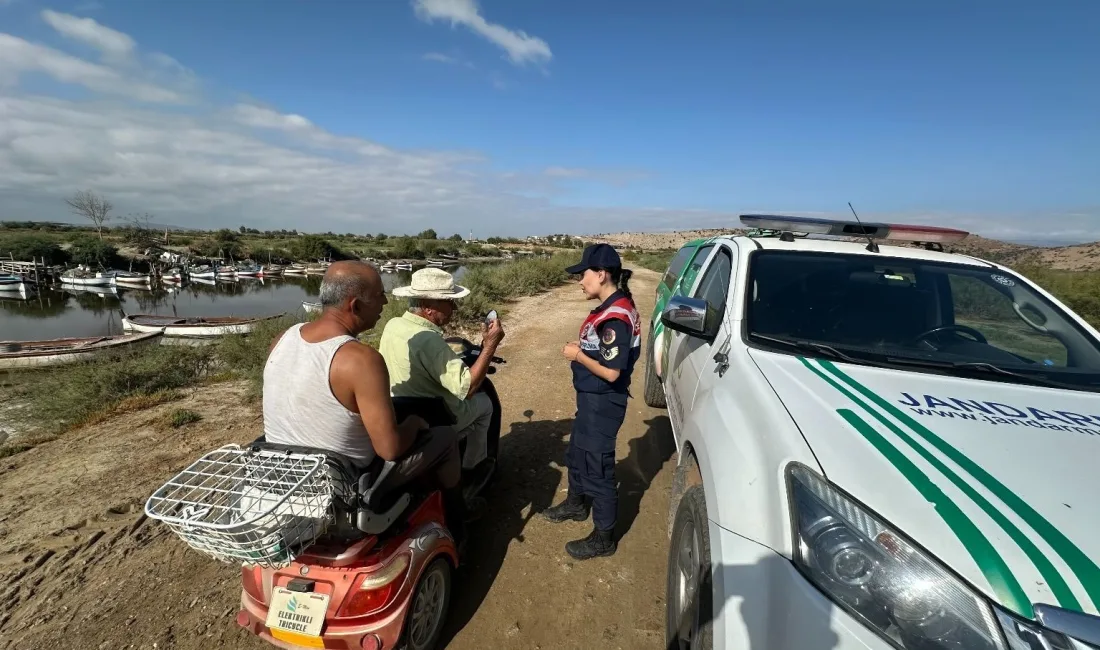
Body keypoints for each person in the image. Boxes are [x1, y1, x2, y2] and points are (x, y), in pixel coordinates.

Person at [262, 261, 478, 546]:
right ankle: (458, 519)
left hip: (283, 474)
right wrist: (414, 423)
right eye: (379, 295)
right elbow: (390, 448)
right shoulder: (361, 359)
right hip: (345, 484)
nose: (385, 302)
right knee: (445, 437)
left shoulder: (283, 338)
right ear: (355, 305)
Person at [543, 243, 640, 560]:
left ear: (601, 274)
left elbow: (612, 373)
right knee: (578, 452)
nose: (579, 281)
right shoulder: (608, 307)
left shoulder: (616, 317)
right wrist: (584, 349)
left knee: (598, 467)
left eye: (583, 274)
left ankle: (604, 537)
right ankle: (576, 504)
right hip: (590, 400)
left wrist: (578, 355)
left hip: (604, 402)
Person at [379, 267, 505, 490]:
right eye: (449, 302)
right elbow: (468, 387)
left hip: (402, 410)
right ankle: (473, 469)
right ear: (428, 307)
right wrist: (490, 346)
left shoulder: (393, 325)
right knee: (484, 405)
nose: (454, 307)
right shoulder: (429, 340)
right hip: (437, 417)